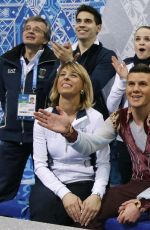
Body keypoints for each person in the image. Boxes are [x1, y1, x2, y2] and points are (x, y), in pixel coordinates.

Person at [34, 63, 150, 229]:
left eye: (143, 84)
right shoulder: (119, 117)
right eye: (131, 84)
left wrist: (141, 204)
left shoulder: (95, 116)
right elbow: (92, 144)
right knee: (86, 215)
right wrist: (70, 132)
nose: (135, 89)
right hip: (136, 184)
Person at [30, 61, 110, 228]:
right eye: (62, 75)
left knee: (85, 217)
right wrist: (65, 194)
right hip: (52, 183)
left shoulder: (95, 117)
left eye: (73, 75)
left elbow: (103, 163)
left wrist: (96, 195)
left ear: (83, 86)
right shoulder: (42, 118)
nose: (66, 77)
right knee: (44, 208)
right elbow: (39, 165)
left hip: (85, 181)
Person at [0, 16, 58, 201]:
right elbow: (3, 95)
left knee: (46, 189)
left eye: (37, 30)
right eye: (27, 28)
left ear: (46, 39)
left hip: (42, 135)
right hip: (11, 135)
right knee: (2, 187)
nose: (30, 31)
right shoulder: (6, 61)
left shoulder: (54, 63)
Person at [51, 4, 116, 119]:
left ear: (98, 28)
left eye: (87, 21)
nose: (82, 25)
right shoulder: (65, 53)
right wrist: (62, 64)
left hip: (91, 119)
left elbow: (92, 86)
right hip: (61, 116)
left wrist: (70, 62)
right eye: (79, 21)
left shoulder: (107, 56)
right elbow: (49, 88)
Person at [107, 26, 150, 183]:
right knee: (128, 187)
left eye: (147, 39)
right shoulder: (126, 66)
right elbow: (111, 106)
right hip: (125, 138)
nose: (141, 43)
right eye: (138, 39)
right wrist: (124, 80)